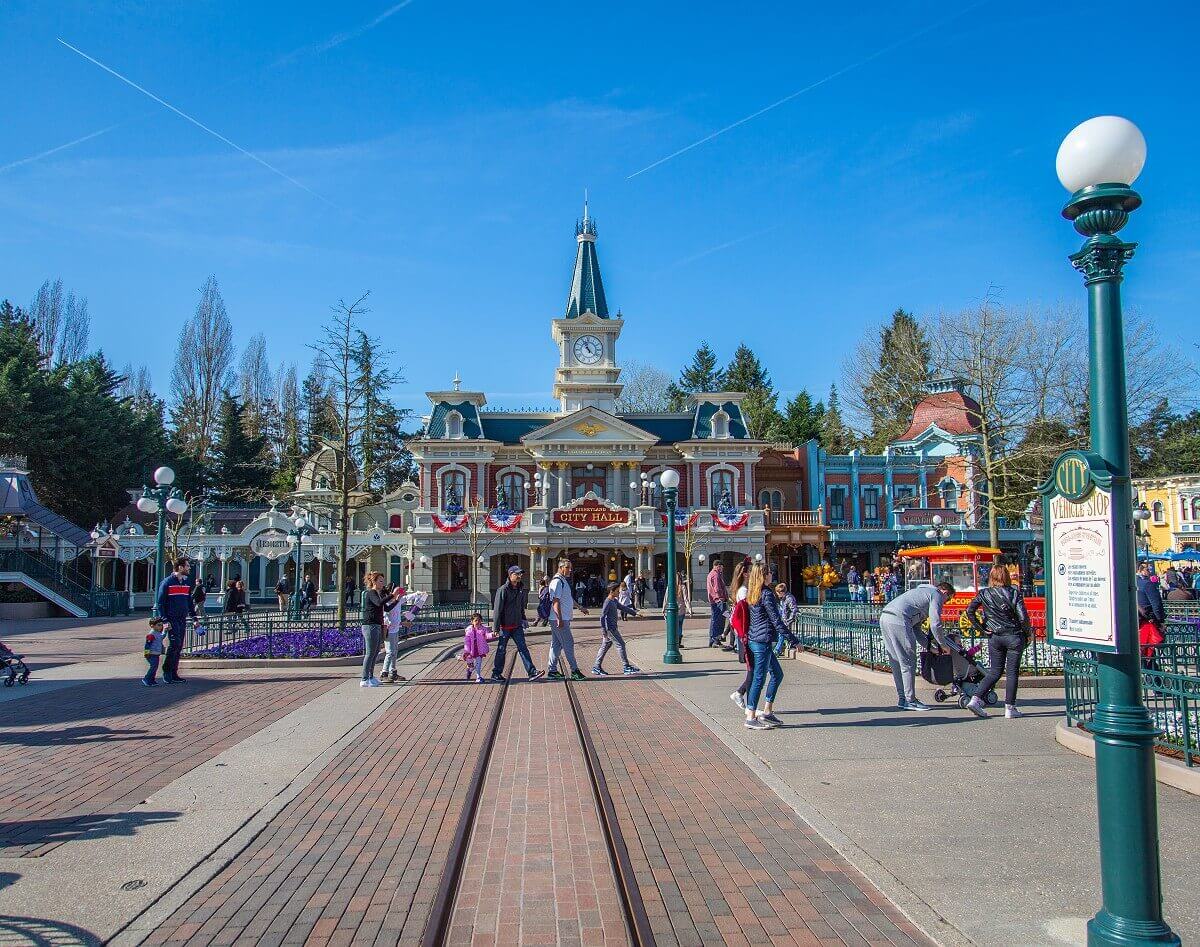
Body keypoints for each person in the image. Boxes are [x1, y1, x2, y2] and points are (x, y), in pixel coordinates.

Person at [878, 581, 959, 711]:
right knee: (908, 662)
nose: (945, 604)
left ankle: (903, 698)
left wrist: (930, 648)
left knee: (897, 662)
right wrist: (943, 645)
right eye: (947, 600)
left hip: (886, 617)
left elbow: (916, 629)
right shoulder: (936, 594)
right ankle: (910, 700)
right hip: (899, 619)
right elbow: (936, 624)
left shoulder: (921, 593)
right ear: (944, 592)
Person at [963, 565, 1031, 719]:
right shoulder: (1014, 593)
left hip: (995, 636)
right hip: (1013, 635)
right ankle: (1010, 708)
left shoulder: (984, 593)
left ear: (991, 577)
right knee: (1012, 672)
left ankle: (975, 699)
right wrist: (1028, 633)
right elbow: (1023, 617)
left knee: (995, 672)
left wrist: (982, 628)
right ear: (1006, 576)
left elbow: (969, 611)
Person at [743, 563, 799, 730]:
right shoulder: (766, 594)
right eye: (768, 572)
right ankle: (751, 716)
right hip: (762, 640)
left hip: (756, 639)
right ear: (763, 575)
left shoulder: (754, 593)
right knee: (759, 679)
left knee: (777, 674)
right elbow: (776, 621)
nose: (771, 574)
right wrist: (794, 640)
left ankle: (767, 711)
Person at [491, 565, 541, 681]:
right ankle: (496, 673)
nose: (519, 576)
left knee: (523, 648)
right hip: (505, 627)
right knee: (501, 650)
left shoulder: (520, 589)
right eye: (517, 574)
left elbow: (520, 607)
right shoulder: (503, 590)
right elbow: (497, 610)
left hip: (517, 625)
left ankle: (532, 672)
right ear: (510, 575)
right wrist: (496, 628)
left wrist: (523, 619)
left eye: (520, 574)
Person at [155, 558, 196, 684]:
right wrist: (165, 620)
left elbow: (189, 602)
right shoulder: (167, 582)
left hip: (181, 619)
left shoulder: (186, 583)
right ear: (180, 567)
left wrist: (194, 618)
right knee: (174, 644)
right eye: (187, 566)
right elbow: (160, 603)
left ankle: (174, 673)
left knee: (179, 646)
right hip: (171, 619)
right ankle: (167, 672)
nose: (189, 568)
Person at [547, 559, 588, 680]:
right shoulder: (557, 582)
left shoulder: (563, 581)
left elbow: (568, 598)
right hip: (559, 619)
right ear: (561, 568)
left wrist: (580, 607)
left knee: (556, 644)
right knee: (568, 643)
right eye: (568, 568)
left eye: (571, 568)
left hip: (561, 618)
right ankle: (574, 671)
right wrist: (559, 618)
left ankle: (552, 671)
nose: (571, 570)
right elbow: (555, 601)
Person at [360, 573, 402, 688]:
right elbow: (379, 603)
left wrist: (396, 600)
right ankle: (364, 678)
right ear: (374, 582)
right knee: (370, 653)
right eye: (380, 581)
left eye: (383, 581)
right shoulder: (371, 593)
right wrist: (392, 594)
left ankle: (370, 676)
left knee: (375, 653)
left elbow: (386, 608)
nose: (382, 583)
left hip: (377, 625)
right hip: (370, 625)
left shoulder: (378, 594)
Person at [593, 582, 641, 676]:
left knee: (605, 646)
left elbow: (623, 607)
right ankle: (626, 667)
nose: (619, 592)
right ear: (611, 591)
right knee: (621, 644)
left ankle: (596, 667)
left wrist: (635, 613)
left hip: (612, 628)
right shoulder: (607, 601)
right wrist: (604, 630)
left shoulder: (614, 601)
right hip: (610, 629)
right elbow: (602, 617)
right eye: (617, 591)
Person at [463, 612, 491, 683]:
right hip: (470, 652)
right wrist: (467, 651)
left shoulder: (483, 629)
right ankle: (469, 671)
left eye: (479, 620)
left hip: (479, 650)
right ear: (472, 622)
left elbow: (487, 635)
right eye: (476, 620)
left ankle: (478, 676)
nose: (477, 622)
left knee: (478, 663)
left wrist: (492, 635)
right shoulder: (469, 631)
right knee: (471, 666)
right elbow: (467, 642)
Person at [706, 561, 728, 648]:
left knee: (714, 620)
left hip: (714, 601)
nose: (722, 569)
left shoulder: (710, 574)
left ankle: (713, 640)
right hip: (718, 601)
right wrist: (722, 598)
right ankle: (716, 639)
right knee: (719, 621)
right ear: (717, 566)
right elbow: (717, 588)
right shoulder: (715, 575)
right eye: (721, 567)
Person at [774, 582, 798, 656]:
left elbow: (794, 610)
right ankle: (782, 647)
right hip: (783, 620)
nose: (777, 595)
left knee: (782, 634)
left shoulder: (789, 598)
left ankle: (777, 650)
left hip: (787, 621)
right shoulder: (783, 599)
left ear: (781, 592)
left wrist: (789, 620)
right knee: (781, 634)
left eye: (778, 593)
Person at [142, 617, 165, 687]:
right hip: (151, 654)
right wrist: (146, 653)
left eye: (161, 625)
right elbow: (147, 645)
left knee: (155, 667)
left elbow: (162, 636)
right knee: (153, 667)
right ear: (152, 625)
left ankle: (152, 679)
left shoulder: (158, 633)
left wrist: (166, 630)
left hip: (156, 653)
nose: (160, 627)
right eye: (158, 625)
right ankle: (147, 678)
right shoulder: (151, 634)